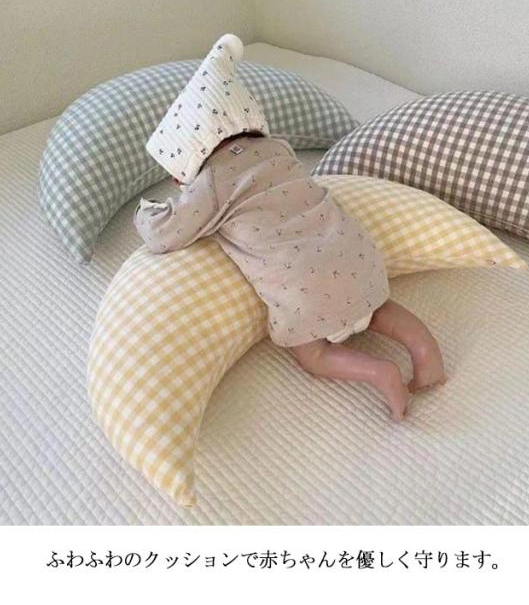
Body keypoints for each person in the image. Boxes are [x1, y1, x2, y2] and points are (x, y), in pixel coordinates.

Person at [135, 34, 445, 421]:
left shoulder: (211, 183)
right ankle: (425, 351)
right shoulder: (278, 148)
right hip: (353, 252)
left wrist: (148, 211)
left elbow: (165, 234)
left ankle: (378, 372)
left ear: (190, 153)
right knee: (378, 309)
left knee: (315, 353)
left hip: (302, 285)